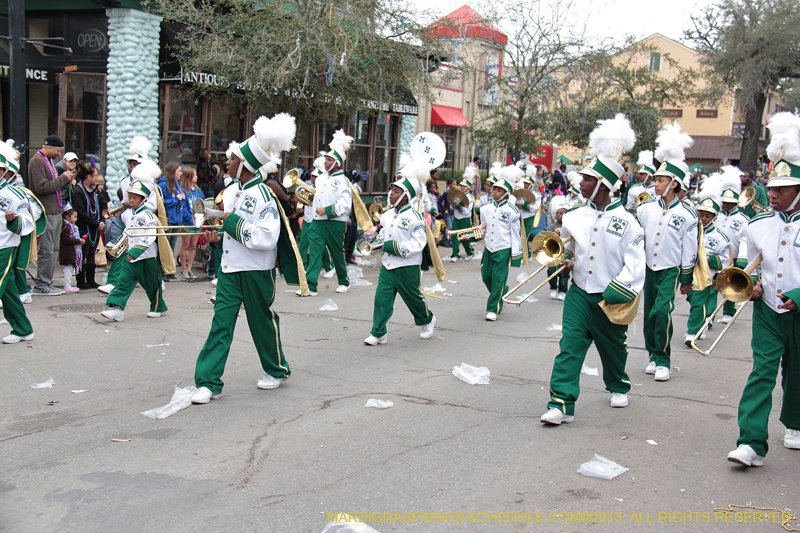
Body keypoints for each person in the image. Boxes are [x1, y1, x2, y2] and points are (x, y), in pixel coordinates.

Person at [541, 114, 643, 425]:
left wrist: (618, 292)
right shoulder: (573, 216)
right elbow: (567, 251)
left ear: (602, 184)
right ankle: (561, 403)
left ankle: (618, 383)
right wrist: (564, 260)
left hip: (610, 296)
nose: (580, 182)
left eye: (586, 179)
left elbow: (636, 266)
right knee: (570, 346)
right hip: (579, 295)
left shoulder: (628, 222)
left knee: (613, 349)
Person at [191, 113, 296, 404]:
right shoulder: (232, 190)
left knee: (260, 321)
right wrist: (217, 236)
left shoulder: (264, 196)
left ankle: (276, 369)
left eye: (233, 158)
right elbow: (230, 228)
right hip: (229, 269)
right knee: (220, 323)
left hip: (255, 271)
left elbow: (266, 238)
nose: (227, 162)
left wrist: (231, 224)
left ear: (246, 165)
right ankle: (208, 382)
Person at [727, 112, 800, 467]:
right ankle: (751, 441)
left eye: (781, 189)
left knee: (798, 372)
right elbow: (747, 263)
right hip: (768, 312)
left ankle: (796, 422)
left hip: (799, 311)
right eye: (770, 187)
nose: (771, 193)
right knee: (762, 371)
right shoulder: (757, 225)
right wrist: (751, 285)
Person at [638, 122, 698, 382]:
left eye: (661, 180)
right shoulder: (645, 208)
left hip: (670, 270)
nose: (656, 184)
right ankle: (652, 354)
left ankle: (664, 360)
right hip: (648, 268)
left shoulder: (688, 215)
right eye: (656, 179)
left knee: (661, 312)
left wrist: (686, 278)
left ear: (674, 184)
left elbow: (690, 249)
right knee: (648, 314)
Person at [364, 162, 436, 346]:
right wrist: (376, 241)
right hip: (388, 265)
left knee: (414, 300)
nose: (391, 193)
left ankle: (427, 320)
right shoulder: (387, 215)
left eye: (396, 191)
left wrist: (390, 246)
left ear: (405, 196)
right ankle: (378, 332)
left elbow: (418, 244)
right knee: (381, 299)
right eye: (392, 190)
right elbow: (383, 235)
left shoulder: (415, 217)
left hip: (408, 266)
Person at [100, 179, 168, 322]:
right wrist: (119, 246)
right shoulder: (126, 214)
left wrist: (136, 251)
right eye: (130, 197)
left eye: (135, 198)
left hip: (146, 256)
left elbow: (150, 236)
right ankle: (117, 309)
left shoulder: (148, 216)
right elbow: (127, 232)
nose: (131, 200)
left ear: (143, 199)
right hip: (130, 256)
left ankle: (157, 307)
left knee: (152, 285)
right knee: (122, 281)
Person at [98, 136, 158, 294]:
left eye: (135, 164)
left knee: (147, 257)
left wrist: (136, 205)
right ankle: (113, 282)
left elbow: (153, 205)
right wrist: (121, 209)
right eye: (130, 163)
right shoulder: (125, 181)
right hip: (128, 220)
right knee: (121, 250)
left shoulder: (149, 183)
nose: (131, 166)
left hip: (144, 221)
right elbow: (125, 201)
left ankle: (157, 282)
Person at [298, 130, 353, 297]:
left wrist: (327, 211)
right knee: (314, 251)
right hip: (317, 221)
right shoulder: (321, 178)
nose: (326, 162)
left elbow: (345, 206)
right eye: (326, 159)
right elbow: (318, 196)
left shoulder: (343, 181)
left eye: (329, 160)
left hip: (335, 222)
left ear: (337, 163)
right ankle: (311, 286)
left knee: (336, 252)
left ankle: (343, 281)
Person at [684, 175, 730, 345]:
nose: (703, 219)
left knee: (699, 302)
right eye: (701, 215)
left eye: (707, 216)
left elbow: (726, 259)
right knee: (693, 300)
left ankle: (692, 333)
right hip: (690, 273)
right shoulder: (690, 231)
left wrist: (710, 260)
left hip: (707, 275)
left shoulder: (720, 237)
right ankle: (702, 324)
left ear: (714, 217)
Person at [28, 135, 76, 296]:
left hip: (55, 211)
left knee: (54, 249)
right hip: (46, 212)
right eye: (58, 150)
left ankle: (47, 282)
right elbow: (40, 187)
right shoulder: (37, 161)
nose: (59, 154)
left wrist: (65, 180)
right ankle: (41, 284)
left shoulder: (47, 161)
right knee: (47, 250)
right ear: (48, 147)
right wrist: (63, 178)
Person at [479, 166, 523, 321]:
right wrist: (471, 236)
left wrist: (517, 254)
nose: (494, 191)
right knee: (486, 276)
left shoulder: (513, 211)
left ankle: (492, 309)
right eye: (494, 189)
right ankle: (501, 293)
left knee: (498, 278)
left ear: (506, 193)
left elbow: (515, 234)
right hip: (488, 248)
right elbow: (483, 228)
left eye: (498, 190)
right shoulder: (485, 208)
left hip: (503, 248)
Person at [0, 158, 36, 343]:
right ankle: (23, 329)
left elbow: (28, 222)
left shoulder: (14, 194)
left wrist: (12, 220)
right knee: (8, 290)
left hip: (4, 245)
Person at [715, 166, 750, 323]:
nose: (726, 205)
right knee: (710, 288)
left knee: (730, 287)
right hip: (716, 257)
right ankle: (708, 314)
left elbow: (744, 241)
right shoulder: (716, 217)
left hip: (733, 257)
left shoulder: (743, 220)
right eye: (724, 202)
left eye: (730, 202)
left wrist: (741, 261)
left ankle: (729, 312)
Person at [71, 160, 106, 289]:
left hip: (95, 226)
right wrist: (95, 223)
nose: (97, 178)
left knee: (92, 253)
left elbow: (102, 205)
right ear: (89, 177)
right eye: (95, 175)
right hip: (83, 227)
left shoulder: (95, 191)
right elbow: (80, 212)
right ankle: (80, 280)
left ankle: (91, 279)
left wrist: (101, 220)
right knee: (82, 254)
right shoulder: (78, 191)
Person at [298, 154, 334, 277]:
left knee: (321, 246)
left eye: (315, 177)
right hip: (307, 219)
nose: (313, 179)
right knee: (303, 243)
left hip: (318, 219)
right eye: (312, 176)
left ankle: (329, 267)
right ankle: (302, 267)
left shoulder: (323, 189)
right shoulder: (309, 187)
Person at [178, 166, 205, 279]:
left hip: (197, 222)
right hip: (188, 222)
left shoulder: (198, 191)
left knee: (193, 246)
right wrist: (190, 220)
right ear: (189, 177)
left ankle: (189, 268)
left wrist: (200, 220)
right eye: (194, 175)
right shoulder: (182, 190)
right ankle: (183, 268)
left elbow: (201, 205)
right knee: (185, 245)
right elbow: (183, 207)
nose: (196, 177)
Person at [157, 161, 185, 261]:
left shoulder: (176, 183)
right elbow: (162, 203)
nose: (181, 173)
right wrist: (176, 199)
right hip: (168, 220)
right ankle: (163, 271)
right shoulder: (163, 185)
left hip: (176, 219)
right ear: (173, 172)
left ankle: (170, 270)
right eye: (179, 171)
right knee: (166, 248)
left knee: (172, 247)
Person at [449, 168, 476, 262]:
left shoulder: (470, 197)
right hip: (456, 218)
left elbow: (467, 211)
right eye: (461, 185)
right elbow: (452, 207)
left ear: (468, 187)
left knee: (465, 237)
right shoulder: (458, 194)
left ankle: (470, 252)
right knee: (454, 237)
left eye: (464, 186)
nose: (461, 187)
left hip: (465, 219)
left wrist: (458, 206)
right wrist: (453, 203)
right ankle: (455, 254)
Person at [547, 207, 570, 300]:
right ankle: (553, 288)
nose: (558, 215)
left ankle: (562, 291)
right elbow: (547, 237)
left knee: (564, 272)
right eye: (557, 213)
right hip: (554, 252)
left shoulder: (568, 227)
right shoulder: (552, 226)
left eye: (561, 214)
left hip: (565, 252)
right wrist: (554, 235)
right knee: (551, 271)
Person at [59, 209, 84, 293]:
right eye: (74, 217)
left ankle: (68, 285)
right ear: (67, 217)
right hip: (67, 252)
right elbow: (66, 239)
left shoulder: (72, 227)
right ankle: (67, 286)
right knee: (68, 270)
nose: (76, 219)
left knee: (69, 269)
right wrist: (78, 241)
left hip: (71, 252)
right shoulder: (66, 227)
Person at [437, 178, 456, 247]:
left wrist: (454, 210)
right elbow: (439, 201)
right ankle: (445, 241)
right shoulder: (446, 193)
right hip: (447, 213)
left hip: (452, 212)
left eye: (455, 184)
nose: (455, 186)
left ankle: (449, 241)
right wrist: (444, 209)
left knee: (451, 227)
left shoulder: (454, 193)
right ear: (450, 185)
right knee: (449, 227)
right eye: (454, 184)